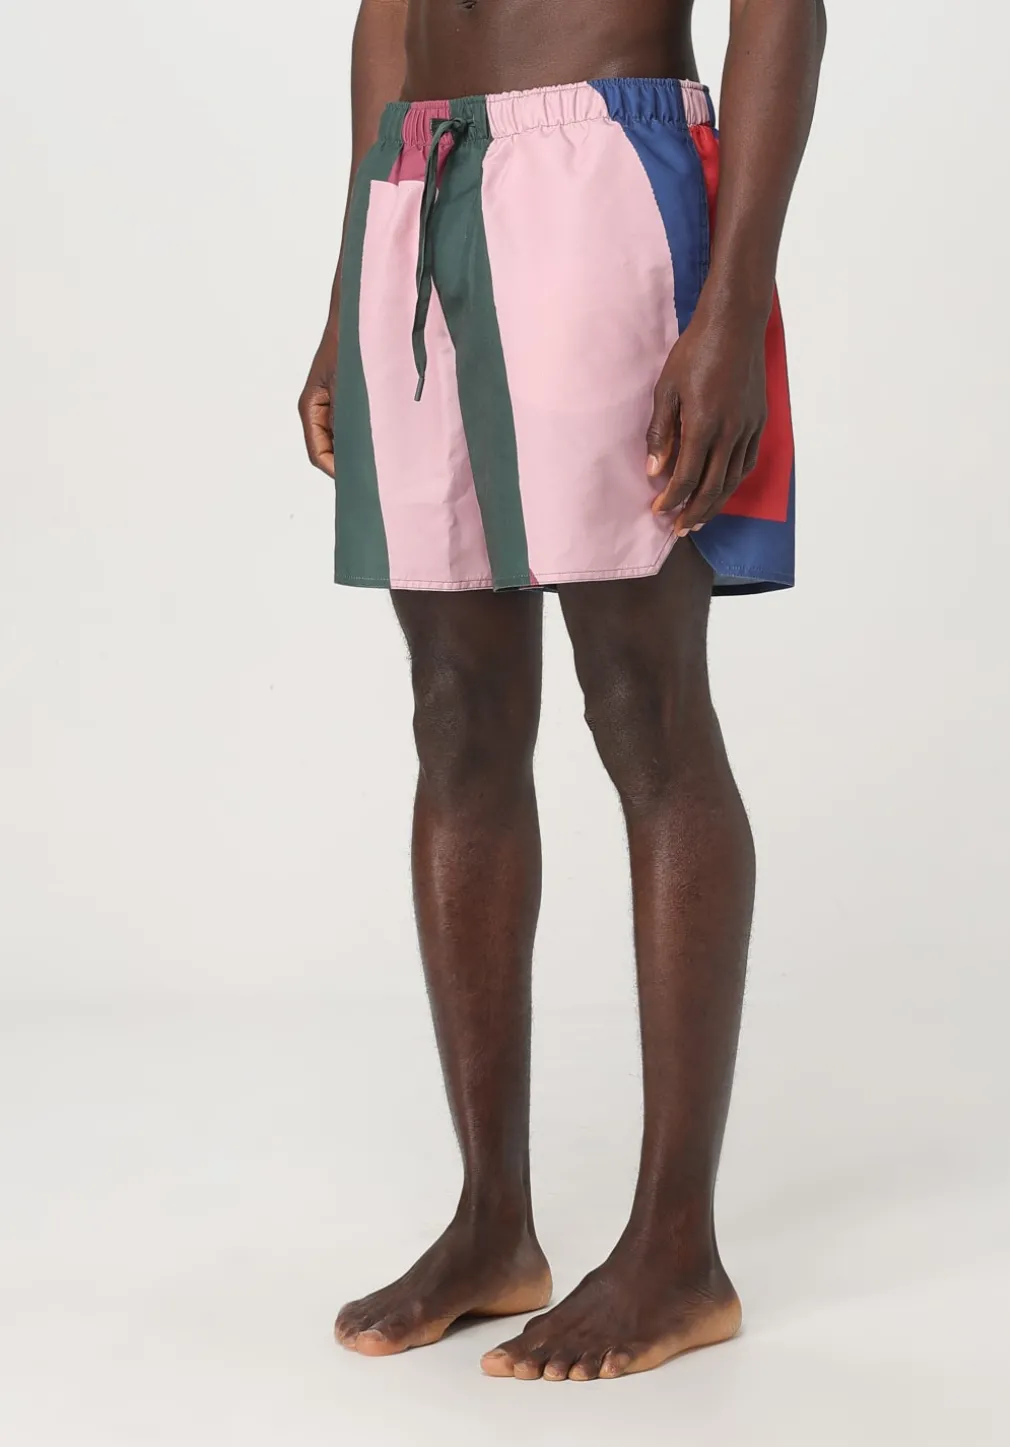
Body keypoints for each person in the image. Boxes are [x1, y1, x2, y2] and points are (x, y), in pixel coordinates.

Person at [299, 0, 825, 1382]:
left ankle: (678, 1251)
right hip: (421, 182)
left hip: (606, 165)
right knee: (456, 715)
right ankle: (492, 1224)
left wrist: (733, 305)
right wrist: (352, 274)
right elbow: (386, 14)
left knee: (645, 707)